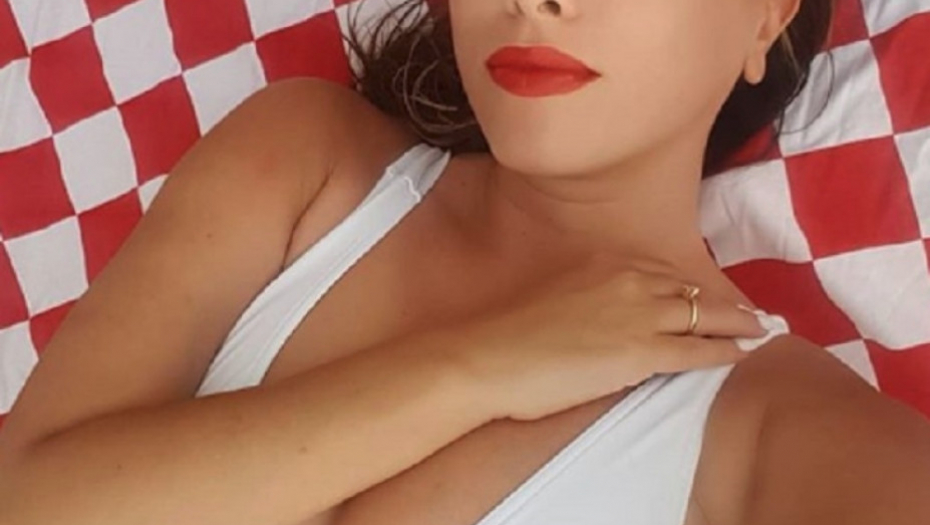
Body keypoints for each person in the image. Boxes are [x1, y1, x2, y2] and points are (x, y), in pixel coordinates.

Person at [0, 0, 928, 524]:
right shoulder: (305, 161)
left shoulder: (793, 433)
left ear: (765, 16)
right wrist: (480, 367)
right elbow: (28, 500)